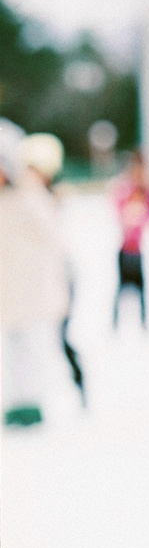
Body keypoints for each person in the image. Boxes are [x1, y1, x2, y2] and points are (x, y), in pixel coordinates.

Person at [0, 133, 73, 426]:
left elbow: (56, 239)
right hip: (9, 289)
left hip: (36, 288)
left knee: (36, 347)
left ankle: (34, 402)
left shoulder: (29, 196)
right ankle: (16, 402)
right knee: (13, 348)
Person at [111, 150, 149, 329]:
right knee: (121, 290)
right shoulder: (125, 192)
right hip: (126, 249)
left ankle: (143, 325)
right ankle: (116, 325)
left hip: (142, 250)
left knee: (142, 291)